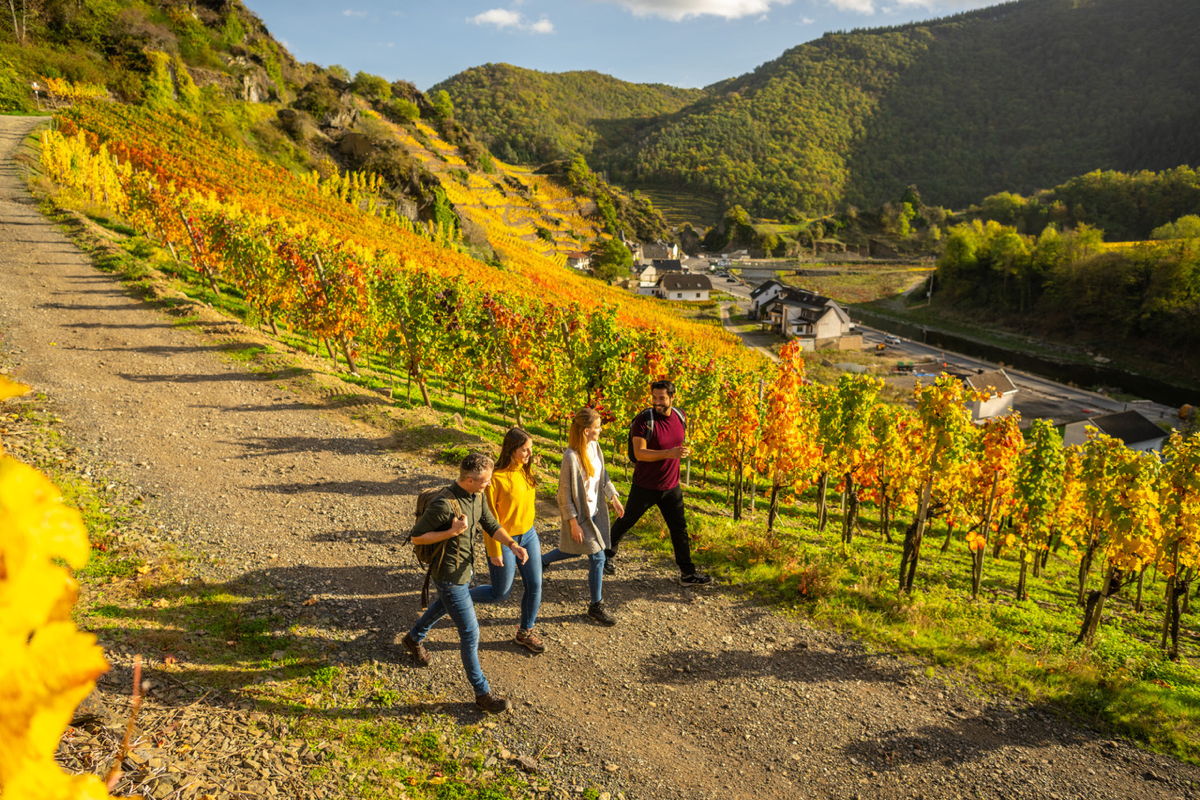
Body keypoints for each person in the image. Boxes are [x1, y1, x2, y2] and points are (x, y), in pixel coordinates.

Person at [400, 452, 529, 713]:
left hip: (464, 570)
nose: (488, 484)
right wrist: (451, 532)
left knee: (443, 605)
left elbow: (490, 523)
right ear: (469, 480)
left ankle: (413, 638)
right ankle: (482, 693)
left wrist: (513, 545)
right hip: (448, 576)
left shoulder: (476, 496)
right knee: (470, 634)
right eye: (484, 481)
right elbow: (417, 537)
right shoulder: (444, 505)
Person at [605, 379, 712, 586]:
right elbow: (640, 453)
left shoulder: (680, 416)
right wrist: (669, 453)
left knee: (679, 529)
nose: (657, 402)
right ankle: (606, 555)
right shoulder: (644, 421)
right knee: (626, 521)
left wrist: (681, 452)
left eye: (662, 398)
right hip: (646, 485)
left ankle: (687, 574)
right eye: (654, 397)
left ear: (672, 397)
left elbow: (676, 444)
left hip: (671, 486)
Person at [542, 407, 625, 625]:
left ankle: (541, 561)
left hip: (595, 512)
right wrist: (572, 523)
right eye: (597, 427)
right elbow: (563, 495)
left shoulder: (595, 447)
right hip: (580, 516)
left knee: (575, 550)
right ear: (587, 430)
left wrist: (613, 497)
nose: (600, 431)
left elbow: (603, 476)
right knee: (597, 556)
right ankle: (596, 605)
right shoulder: (571, 457)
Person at [480, 427, 546, 654]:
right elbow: (489, 520)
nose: (529, 454)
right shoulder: (495, 480)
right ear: (512, 449)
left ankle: (525, 632)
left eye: (530, 450)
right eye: (525, 450)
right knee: (500, 593)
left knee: (535, 584)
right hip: (504, 541)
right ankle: (454, 597)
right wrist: (494, 550)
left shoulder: (526, 473)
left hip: (528, 535)